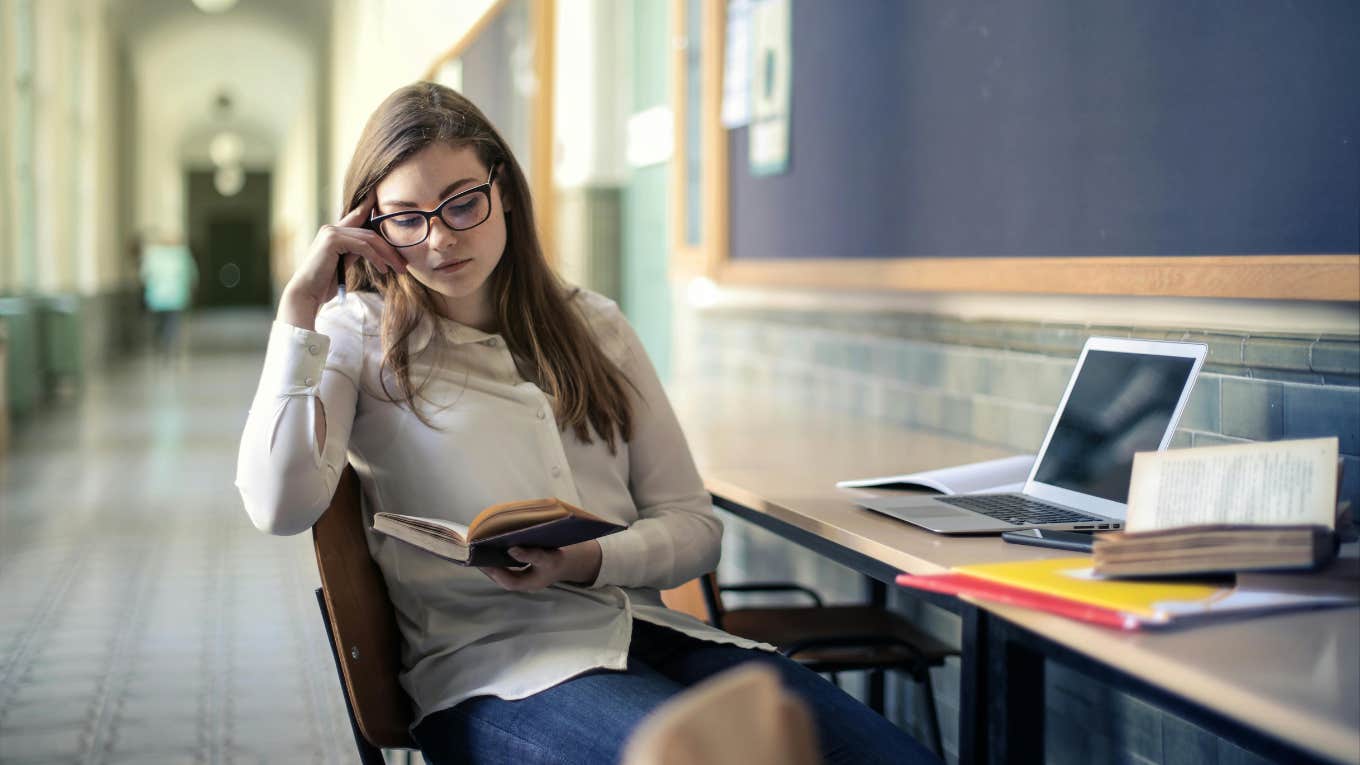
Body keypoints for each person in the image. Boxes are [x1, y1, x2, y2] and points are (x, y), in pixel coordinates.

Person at [235, 82, 936, 765]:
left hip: (652, 633)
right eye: (406, 218)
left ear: (502, 189)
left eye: (461, 204)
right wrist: (299, 311)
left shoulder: (593, 324)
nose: (440, 239)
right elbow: (279, 506)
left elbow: (695, 528)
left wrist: (587, 560)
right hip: (495, 673)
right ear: (370, 228)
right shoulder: (356, 333)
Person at [139, 229, 198, 357]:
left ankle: (160, 342)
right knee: (172, 323)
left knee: (159, 322)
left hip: (156, 297)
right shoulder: (181, 254)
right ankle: (168, 344)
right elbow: (192, 274)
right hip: (175, 296)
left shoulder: (153, 254)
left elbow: (144, 275)